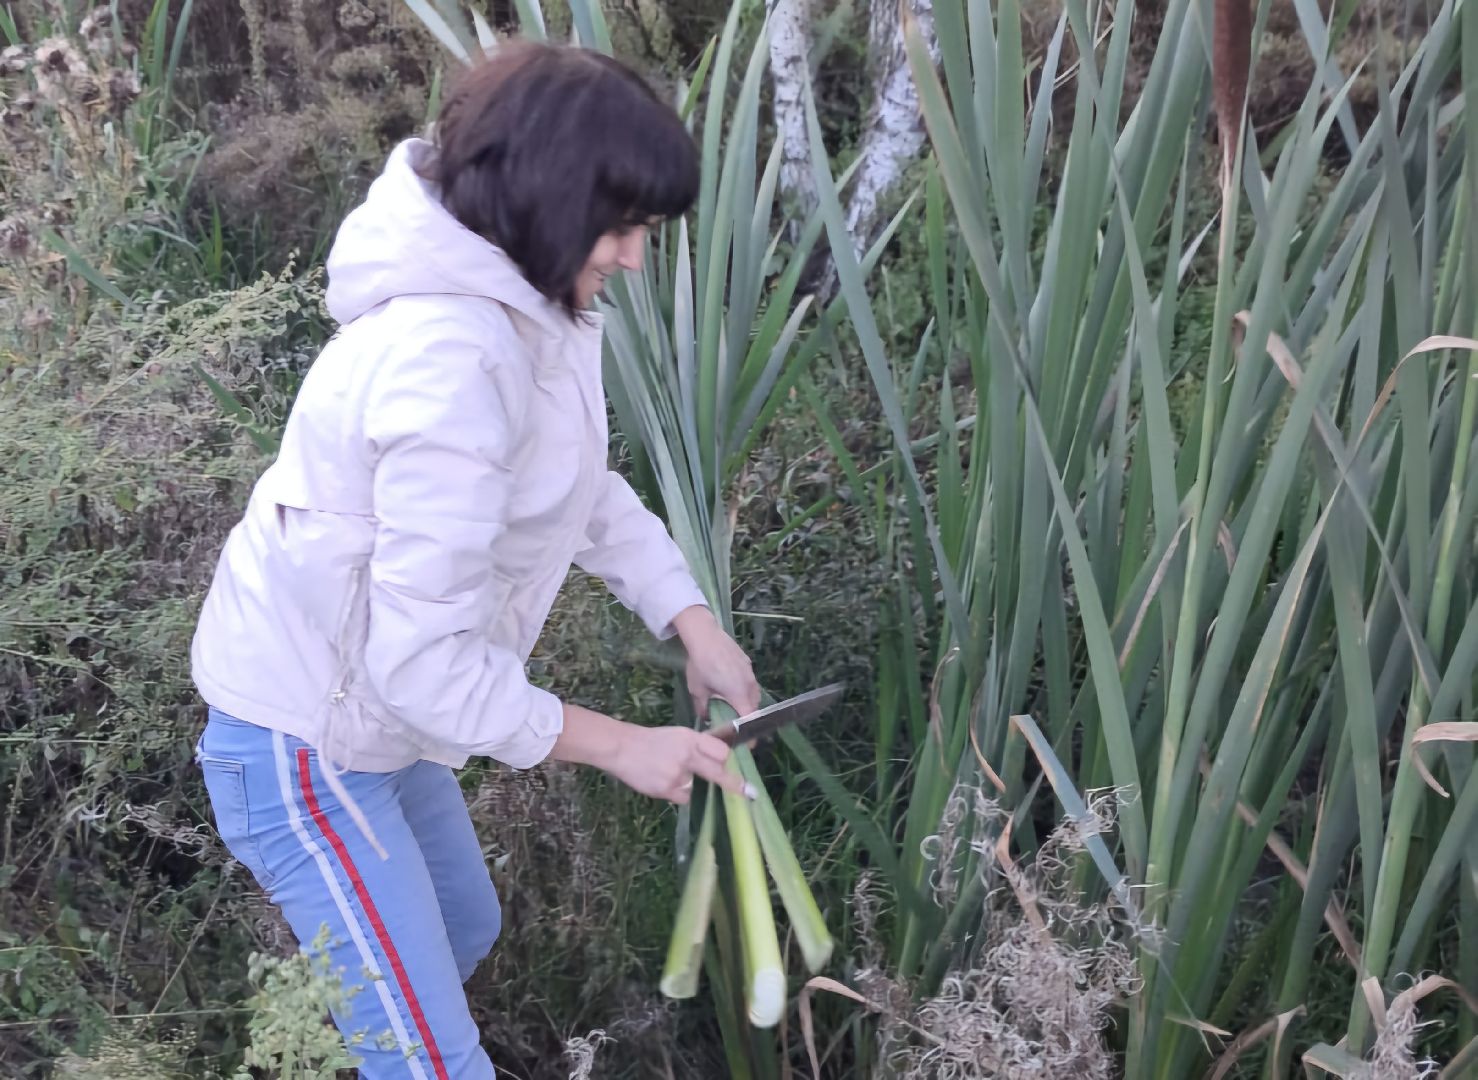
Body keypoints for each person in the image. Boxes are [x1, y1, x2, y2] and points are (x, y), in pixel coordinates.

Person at [189, 41, 760, 1079]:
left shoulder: (531, 308)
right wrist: (620, 745)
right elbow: (422, 663)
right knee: (432, 1063)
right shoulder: (448, 361)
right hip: (306, 738)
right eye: (622, 225)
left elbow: (577, 484)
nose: (633, 256)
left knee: (459, 928)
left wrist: (691, 620)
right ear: (549, 194)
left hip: (381, 716)